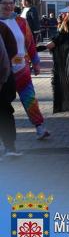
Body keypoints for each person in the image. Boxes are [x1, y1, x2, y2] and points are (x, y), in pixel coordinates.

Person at [0, 0, 50, 140]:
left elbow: (30, 43)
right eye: (4, 3)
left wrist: (36, 62)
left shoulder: (21, 21)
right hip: (3, 72)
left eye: (11, 2)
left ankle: (40, 127)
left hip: (22, 68)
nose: (8, 6)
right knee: (4, 104)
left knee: (29, 98)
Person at [0, 21, 19, 159]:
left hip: (3, 81)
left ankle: (10, 147)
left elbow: (10, 51)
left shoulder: (2, 27)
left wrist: (2, 80)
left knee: (5, 113)